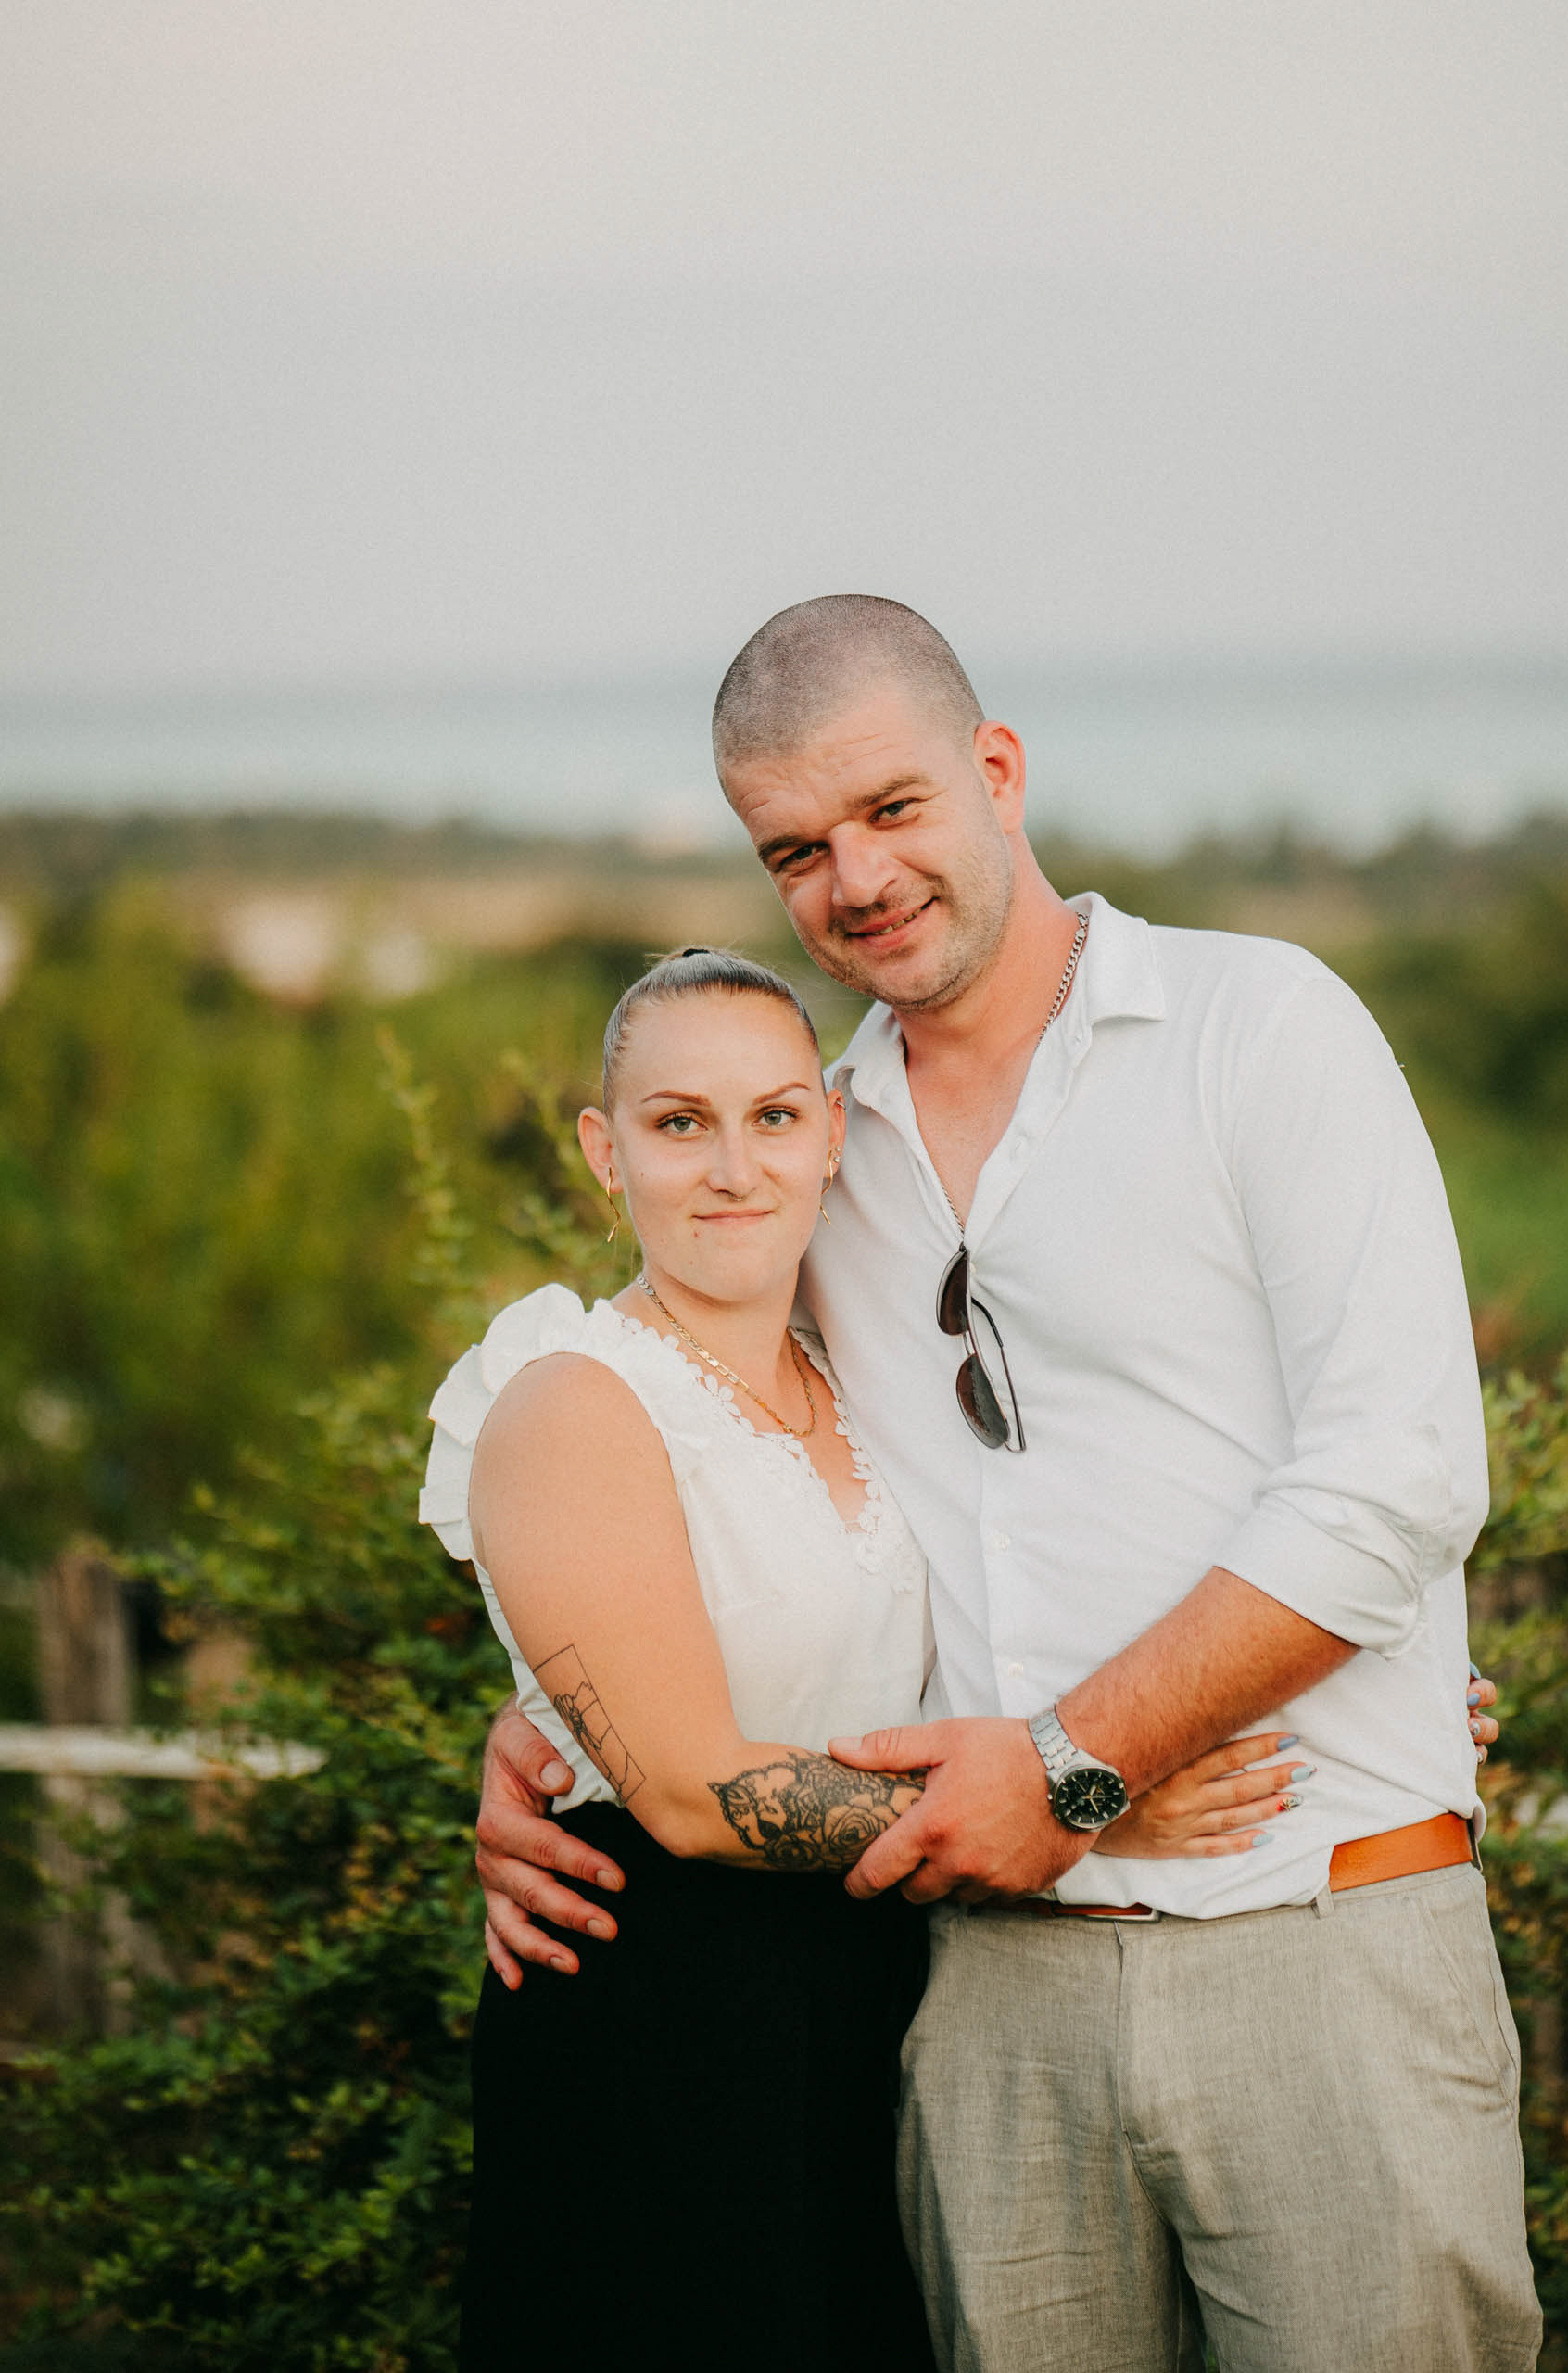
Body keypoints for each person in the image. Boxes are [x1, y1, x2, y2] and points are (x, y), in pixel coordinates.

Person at [471, 598, 1540, 2373]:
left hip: (1315, 1933)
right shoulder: (815, 1144)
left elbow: (1398, 1478)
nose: (856, 879)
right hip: (981, 1999)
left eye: (892, 808)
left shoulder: (1254, 1026)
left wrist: (1074, 1764)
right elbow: (696, 1471)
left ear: (997, 767)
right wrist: (551, 1730)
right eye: (794, 849)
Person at [422, 946, 1314, 2370]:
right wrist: (1081, 1803)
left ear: (831, 1134)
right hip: (664, 2012)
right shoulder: (570, 1399)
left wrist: (1355, 1672)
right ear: (603, 1150)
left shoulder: (868, 1380)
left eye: (774, 1116)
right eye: (678, 1123)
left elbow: (1055, 1572)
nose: (733, 1168)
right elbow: (690, 1796)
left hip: (876, 2000)